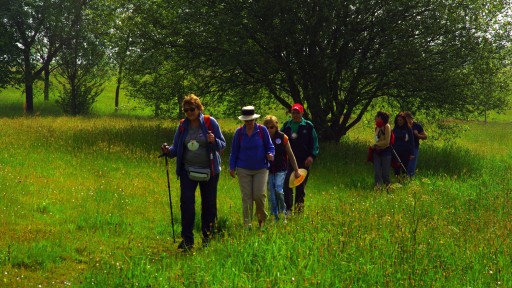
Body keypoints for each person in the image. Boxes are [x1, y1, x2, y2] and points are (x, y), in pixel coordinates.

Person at [161, 94, 226, 251]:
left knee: (209, 205)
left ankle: (207, 238)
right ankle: (187, 240)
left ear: (199, 108)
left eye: (192, 109)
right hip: (187, 171)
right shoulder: (182, 126)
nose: (189, 112)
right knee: (187, 204)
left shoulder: (211, 122)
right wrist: (168, 150)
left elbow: (222, 144)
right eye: (186, 110)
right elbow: (176, 148)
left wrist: (213, 141)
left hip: (209, 171)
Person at [229, 106, 275, 228]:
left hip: (261, 168)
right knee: (247, 197)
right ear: (243, 120)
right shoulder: (239, 133)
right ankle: (247, 224)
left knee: (259, 195)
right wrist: (232, 167)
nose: (249, 122)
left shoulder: (262, 130)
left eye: (251, 120)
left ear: (254, 119)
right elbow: (234, 152)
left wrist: (271, 154)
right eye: (246, 120)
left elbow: (270, 146)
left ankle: (261, 220)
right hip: (243, 168)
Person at [281, 103, 319, 214]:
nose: (295, 114)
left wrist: (312, 156)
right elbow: (280, 140)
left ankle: (299, 212)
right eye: (293, 112)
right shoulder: (286, 125)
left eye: (298, 112)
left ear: (302, 113)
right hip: (288, 161)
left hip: (304, 161)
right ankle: (287, 210)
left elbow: (315, 143)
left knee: (300, 187)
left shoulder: (308, 126)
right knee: (287, 185)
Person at [263, 115, 301, 222]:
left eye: (272, 127)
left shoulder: (282, 137)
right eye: (267, 128)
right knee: (271, 193)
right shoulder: (262, 138)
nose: (270, 130)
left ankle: (283, 213)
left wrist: (296, 170)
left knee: (278, 190)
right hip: (268, 170)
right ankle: (274, 216)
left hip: (281, 169)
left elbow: (290, 154)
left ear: (276, 127)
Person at [371, 111, 392, 190]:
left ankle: (388, 187)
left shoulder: (387, 126)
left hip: (386, 152)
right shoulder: (377, 127)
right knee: (377, 171)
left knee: (385, 173)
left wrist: (376, 145)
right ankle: (378, 187)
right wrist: (374, 145)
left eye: (377, 117)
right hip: (377, 152)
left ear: (380, 118)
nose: (375, 118)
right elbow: (376, 139)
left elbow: (387, 142)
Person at [391, 112, 415, 179]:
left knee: (404, 167)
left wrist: (412, 153)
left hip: (405, 151)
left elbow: (411, 141)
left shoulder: (408, 129)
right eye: (398, 120)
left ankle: (404, 181)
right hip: (396, 151)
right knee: (396, 168)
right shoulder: (395, 129)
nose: (399, 122)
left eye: (400, 120)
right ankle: (398, 181)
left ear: (404, 120)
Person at [404, 111, 427, 177]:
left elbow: (425, 136)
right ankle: (404, 179)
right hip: (404, 148)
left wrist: (417, 135)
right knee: (404, 165)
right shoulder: (403, 126)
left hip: (414, 148)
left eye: (406, 118)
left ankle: (410, 179)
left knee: (411, 166)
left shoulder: (417, 126)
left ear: (410, 118)